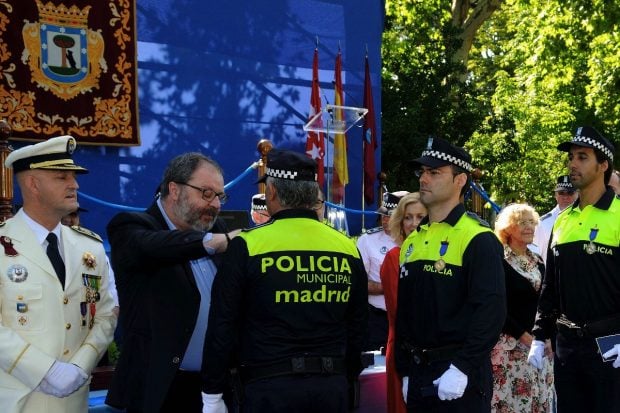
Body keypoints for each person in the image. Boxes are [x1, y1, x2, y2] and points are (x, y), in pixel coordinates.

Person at [201, 149, 368, 413]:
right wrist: (346, 379)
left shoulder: (248, 244)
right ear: (313, 195)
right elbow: (358, 325)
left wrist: (212, 393)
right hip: (331, 387)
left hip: (268, 389)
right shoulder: (346, 247)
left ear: (272, 193)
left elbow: (223, 324)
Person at [104, 152, 240, 413]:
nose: (215, 205)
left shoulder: (217, 227)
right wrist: (215, 243)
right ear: (174, 190)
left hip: (216, 388)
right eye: (206, 193)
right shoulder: (132, 227)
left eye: (220, 196)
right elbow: (154, 247)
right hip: (161, 392)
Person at [0, 136, 117, 413]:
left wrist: (80, 365)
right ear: (33, 184)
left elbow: (108, 312)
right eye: (61, 177)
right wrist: (45, 370)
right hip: (17, 402)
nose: (74, 185)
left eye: (73, 177)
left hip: (74, 402)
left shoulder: (91, 247)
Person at [395, 137, 506, 412]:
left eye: (434, 172)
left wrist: (462, 367)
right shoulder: (412, 241)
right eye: (422, 172)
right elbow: (404, 313)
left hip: (458, 374)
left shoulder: (478, 238)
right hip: (419, 371)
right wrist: (405, 370)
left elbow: (491, 312)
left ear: (460, 180)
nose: (424, 179)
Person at [528, 126, 620, 413]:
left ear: (603, 165)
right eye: (571, 157)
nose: (572, 163)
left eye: (582, 157)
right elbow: (551, 286)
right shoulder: (562, 221)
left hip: (610, 345)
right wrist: (540, 333)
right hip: (567, 347)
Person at [491, 203, 554, 412]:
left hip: (539, 349)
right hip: (509, 348)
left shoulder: (538, 260)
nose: (529, 227)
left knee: (539, 402)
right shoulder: (497, 259)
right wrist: (523, 335)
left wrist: (548, 336)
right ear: (508, 228)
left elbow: (548, 302)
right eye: (521, 222)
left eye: (531, 222)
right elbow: (496, 306)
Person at [379, 192, 427, 413]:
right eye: (408, 217)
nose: (414, 223)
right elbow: (400, 312)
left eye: (420, 217)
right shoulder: (394, 257)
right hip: (405, 351)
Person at [357, 190, 409, 351]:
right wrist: (389, 287)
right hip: (377, 318)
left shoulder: (415, 241)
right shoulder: (367, 240)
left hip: (408, 317)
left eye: (391, 216)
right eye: (383, 215)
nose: (385, 220)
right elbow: (358, 283)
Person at [532, 175, 578, 263]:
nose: (565, 197)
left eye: (570, 193)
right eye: (561, 193)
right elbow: (535, 256)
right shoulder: (543, 223)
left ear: (577, 194)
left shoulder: (584, 218)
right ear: (555, 195)